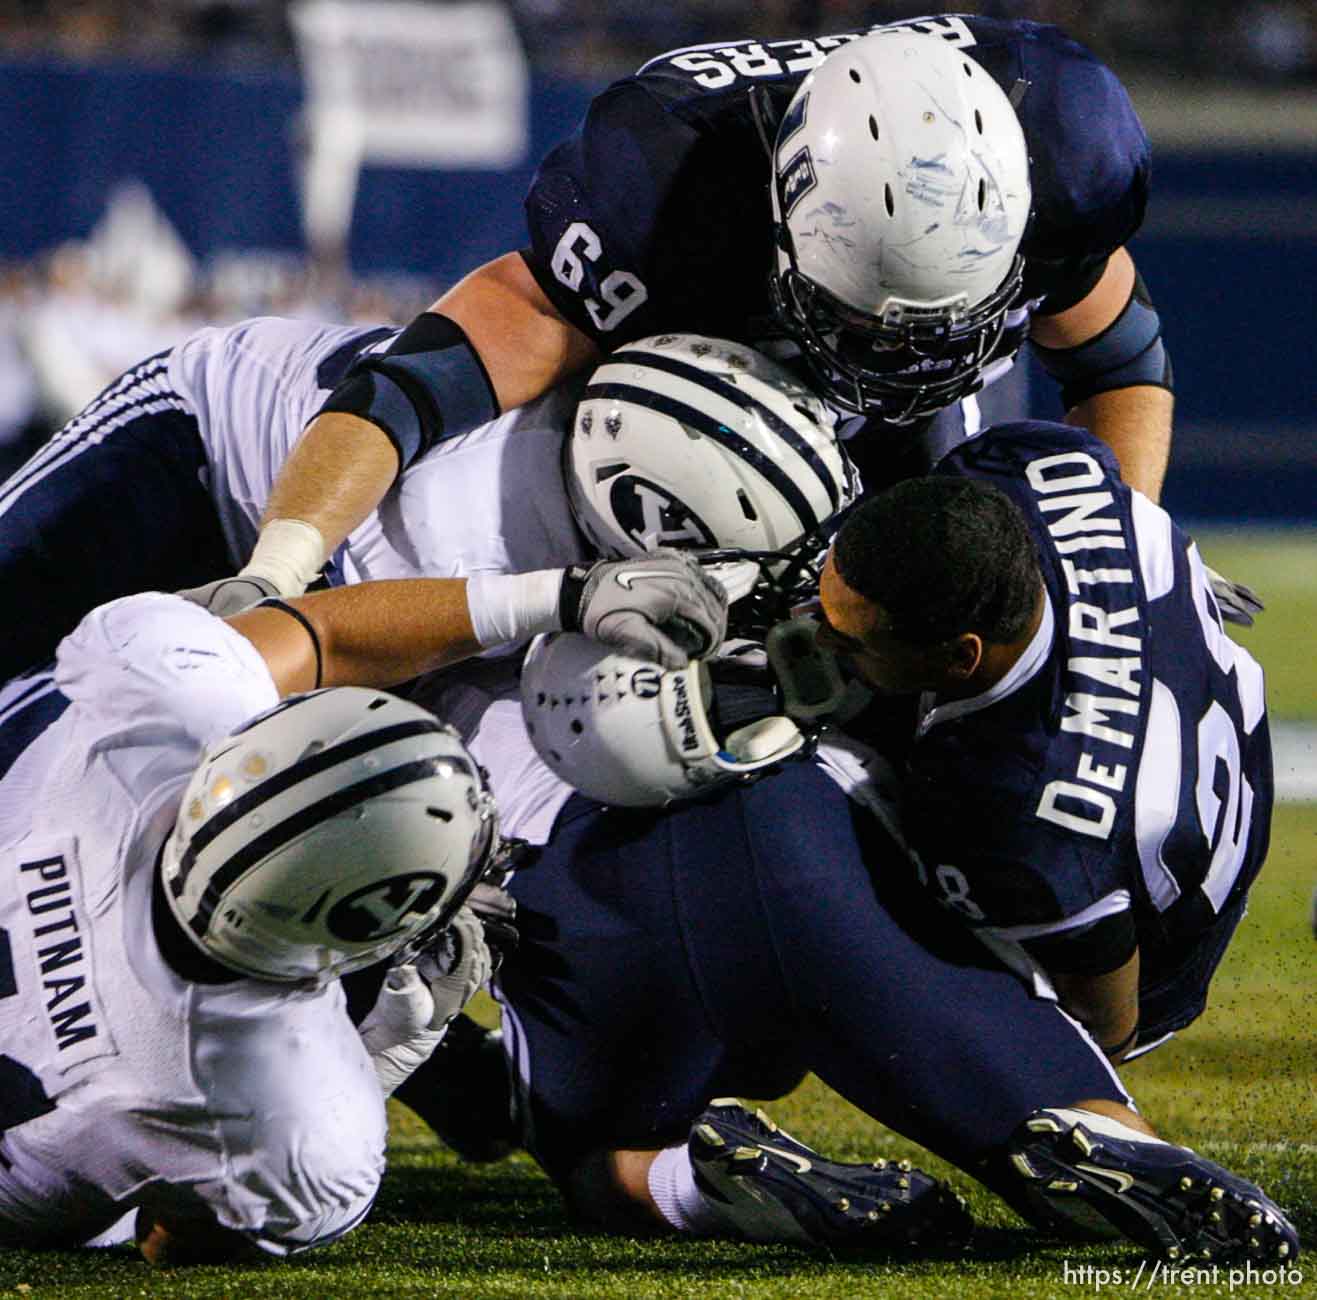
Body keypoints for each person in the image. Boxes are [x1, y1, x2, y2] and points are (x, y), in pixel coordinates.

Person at [194, 17, 1181, 626]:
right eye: (869, 323)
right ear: (783, 226)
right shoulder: (669, 187)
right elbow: (422, 379)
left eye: (933, 326)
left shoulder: (1062, 150)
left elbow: (1120, 362)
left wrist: (1124, 552)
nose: (899, 358)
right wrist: (280, 562)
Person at [813, 419, 1271, 1063]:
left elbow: (1107, 1031)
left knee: (815, 796)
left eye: (848, 636)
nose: (818, 634)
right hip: (1181, 720)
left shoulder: (1013, 818)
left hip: (1151, 952)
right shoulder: (1032, 463)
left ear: (959, 658)